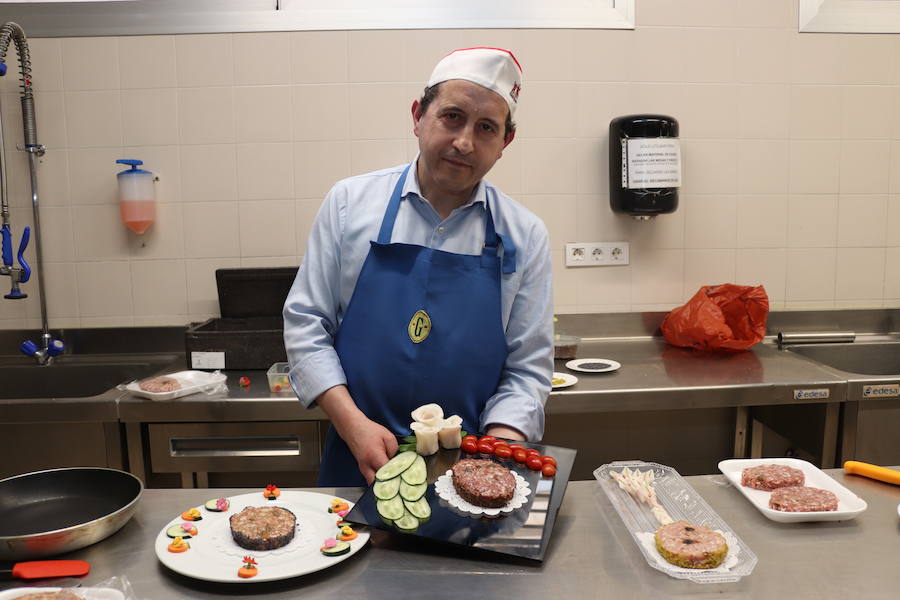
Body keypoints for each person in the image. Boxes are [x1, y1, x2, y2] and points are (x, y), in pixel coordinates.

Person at [283, 47, 553, 487]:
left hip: (471, 472)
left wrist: (496, 455)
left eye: (486, 128)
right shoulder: (350, 205)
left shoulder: (524, 235)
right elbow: (306, 325)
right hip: (357, 457)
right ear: (418, 116)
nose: (464, 142)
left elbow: (527, 369)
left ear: (505, 143)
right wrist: (353, 425)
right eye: (452, 117)